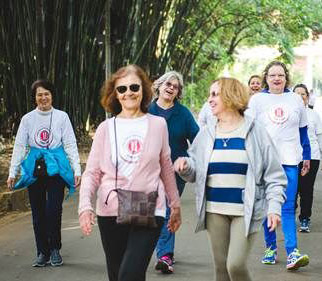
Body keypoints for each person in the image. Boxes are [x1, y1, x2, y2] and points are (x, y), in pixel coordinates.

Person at [174, 77, 286, 281]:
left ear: (231, 96)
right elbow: (196, 172)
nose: (210, 99)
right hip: (214, 209)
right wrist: (185, 166)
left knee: (235, 265)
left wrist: (274, 207)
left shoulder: (255, 131)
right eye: (210, 94)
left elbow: (275, 175)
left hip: (246, 210)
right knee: (221, 269)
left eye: (215, 94)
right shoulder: (207, 133)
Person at [78, 65, 182, 281]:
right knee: (117, 275)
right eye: (121, 89)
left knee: (129, 275)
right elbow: (92, 173)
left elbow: (166, 166)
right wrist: (85, 206)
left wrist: (175, 205)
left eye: (134, 87)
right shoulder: (105, 128)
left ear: (143, 89)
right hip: (111, 209)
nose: (128, 93)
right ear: (115, 94)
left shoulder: (158, 124)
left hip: (149, 205)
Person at [6, 79, 81, 267]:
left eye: (46, 93)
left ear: (52, 95)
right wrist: (12, 172)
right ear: (35, 98)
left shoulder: (62, 117)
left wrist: (76, 169)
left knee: (53, 210)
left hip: (55, 167)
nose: (43, 97)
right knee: (38, 212)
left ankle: (55, 249)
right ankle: (42, 252)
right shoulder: (27, 119)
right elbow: (20, 146)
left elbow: (70, 144)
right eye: (39, 94)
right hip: (34, 169)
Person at [247, 61, 311, 270]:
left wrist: (307, 156)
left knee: (288, 206)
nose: (277, 79)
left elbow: (303, 131)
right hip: (265, 162)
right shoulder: (257, 100)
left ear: (286, 78)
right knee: (268, 206)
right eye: (273, 75)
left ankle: (293, 252)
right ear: (266, 77)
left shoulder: (295, 99)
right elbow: (248, 131)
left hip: (290, 160)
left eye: (281, 75)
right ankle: (270, 248)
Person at [149, 71, 199, 274]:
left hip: (174, 171)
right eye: (168, 84)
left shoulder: (184, 113)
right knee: (150, 211)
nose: (171, 88)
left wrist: (190, 161)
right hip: (148, 171)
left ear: (178, 92)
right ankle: (158, 249)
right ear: (159, 86)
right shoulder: (146, 110)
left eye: (175, 86)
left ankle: (165, 255)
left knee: (168, 210)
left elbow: (198, 139)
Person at [293, 84, 322, 233]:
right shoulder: (288, 113)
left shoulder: (313, 115)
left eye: (303, 94)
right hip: (291, 157)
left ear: (307, 97)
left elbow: (320, 137)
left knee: (306, 189)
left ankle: (305, 218)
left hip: (312, 156)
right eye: (297, 94)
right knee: (292, 189)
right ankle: (290, 212)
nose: (300, 96)